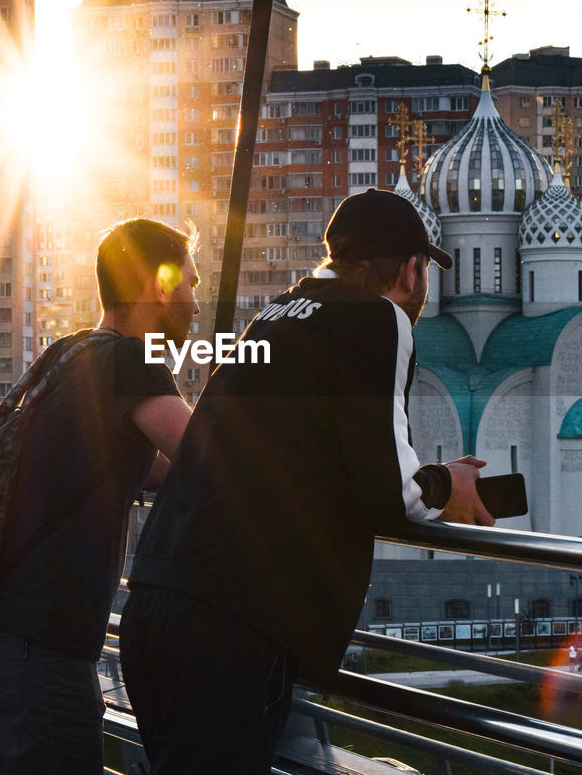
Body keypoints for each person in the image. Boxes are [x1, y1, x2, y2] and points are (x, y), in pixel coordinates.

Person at [120, 188, 494, 774]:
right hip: (233, 626)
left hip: (156, 600)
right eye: (422, 272)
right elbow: (390, 490)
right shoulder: (380, 317)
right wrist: (448, 486)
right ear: (409, 269)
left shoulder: (276, 312)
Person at [0, 218, 199, 775]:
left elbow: (134, 463)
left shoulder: (70, 354)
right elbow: (214, 456)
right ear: (158, 285)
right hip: (35, 649)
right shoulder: (131, 361)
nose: (196, 304)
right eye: (190, 285)